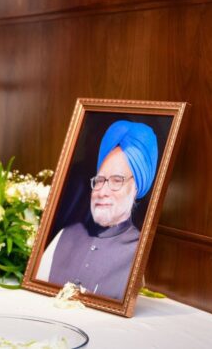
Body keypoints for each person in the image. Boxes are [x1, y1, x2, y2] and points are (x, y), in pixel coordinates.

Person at [36, 120, 158, 301]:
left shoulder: (141, 252)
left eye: (117, 181)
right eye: (100, 180)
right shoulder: (64, 236)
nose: (102, 192)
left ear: (137, 189)